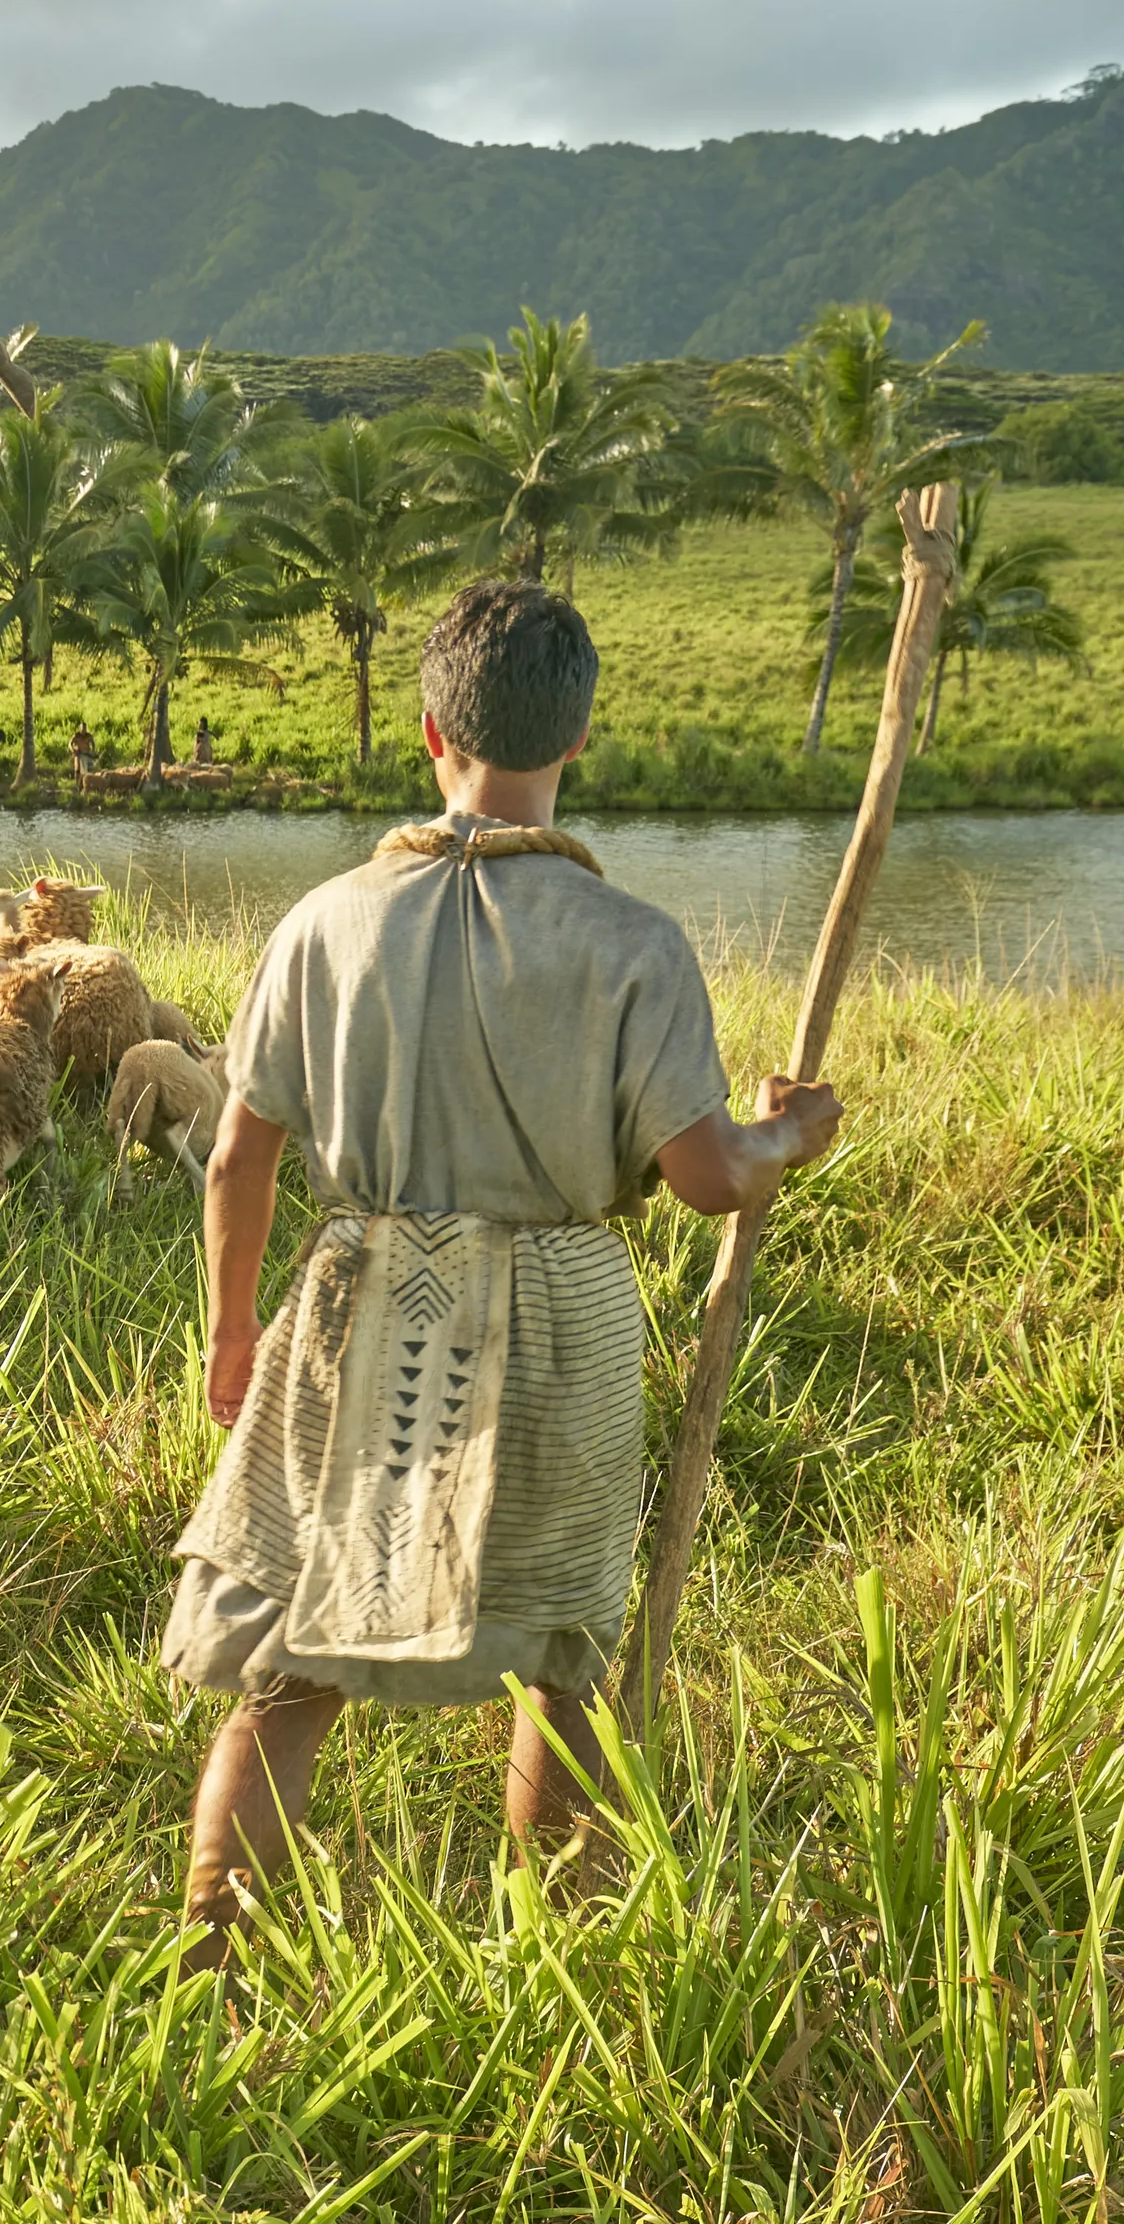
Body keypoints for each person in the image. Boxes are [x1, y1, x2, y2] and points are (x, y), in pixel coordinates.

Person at [164, 583, 841, 1969]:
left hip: (351, 1303)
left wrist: (235, 1330)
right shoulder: (631, 942)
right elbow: (711, 1173)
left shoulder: (324, 920)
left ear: (428, 729)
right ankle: (553, 1962)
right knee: (561, 1661)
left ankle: (210, 1966)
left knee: (288, 1668)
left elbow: (240, 1155)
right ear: (578, 736)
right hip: (561, 1322)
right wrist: (792, 1132)